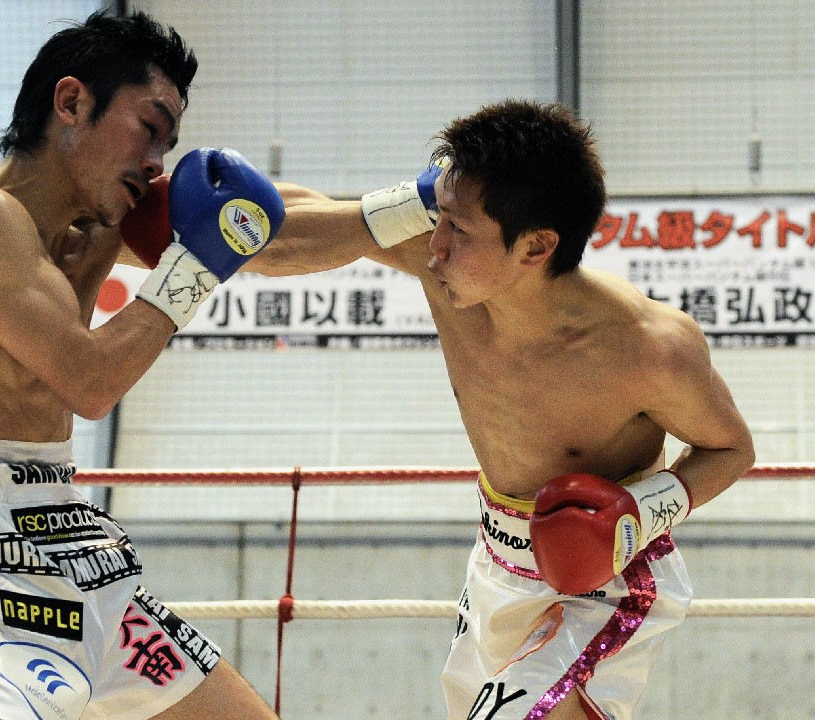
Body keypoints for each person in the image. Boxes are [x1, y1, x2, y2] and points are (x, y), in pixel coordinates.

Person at [246, 100, 756, 719]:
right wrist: (406, 203)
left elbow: (732, 448)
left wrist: (639, 513)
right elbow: (264, 234)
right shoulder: (447, 270)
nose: (434, 246)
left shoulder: (646, 348)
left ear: (536, 247)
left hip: (602, 586)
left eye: (458, 230)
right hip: (494, 566)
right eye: (438, 218)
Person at [0, 10, 285, 720]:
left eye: (169, 144)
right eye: (149, 128)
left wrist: (415, 210)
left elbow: (277, 227)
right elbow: (91, 384)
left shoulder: (100, 228)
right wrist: (193, 267)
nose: (157, 161)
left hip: (71, 534)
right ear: (71, 101)